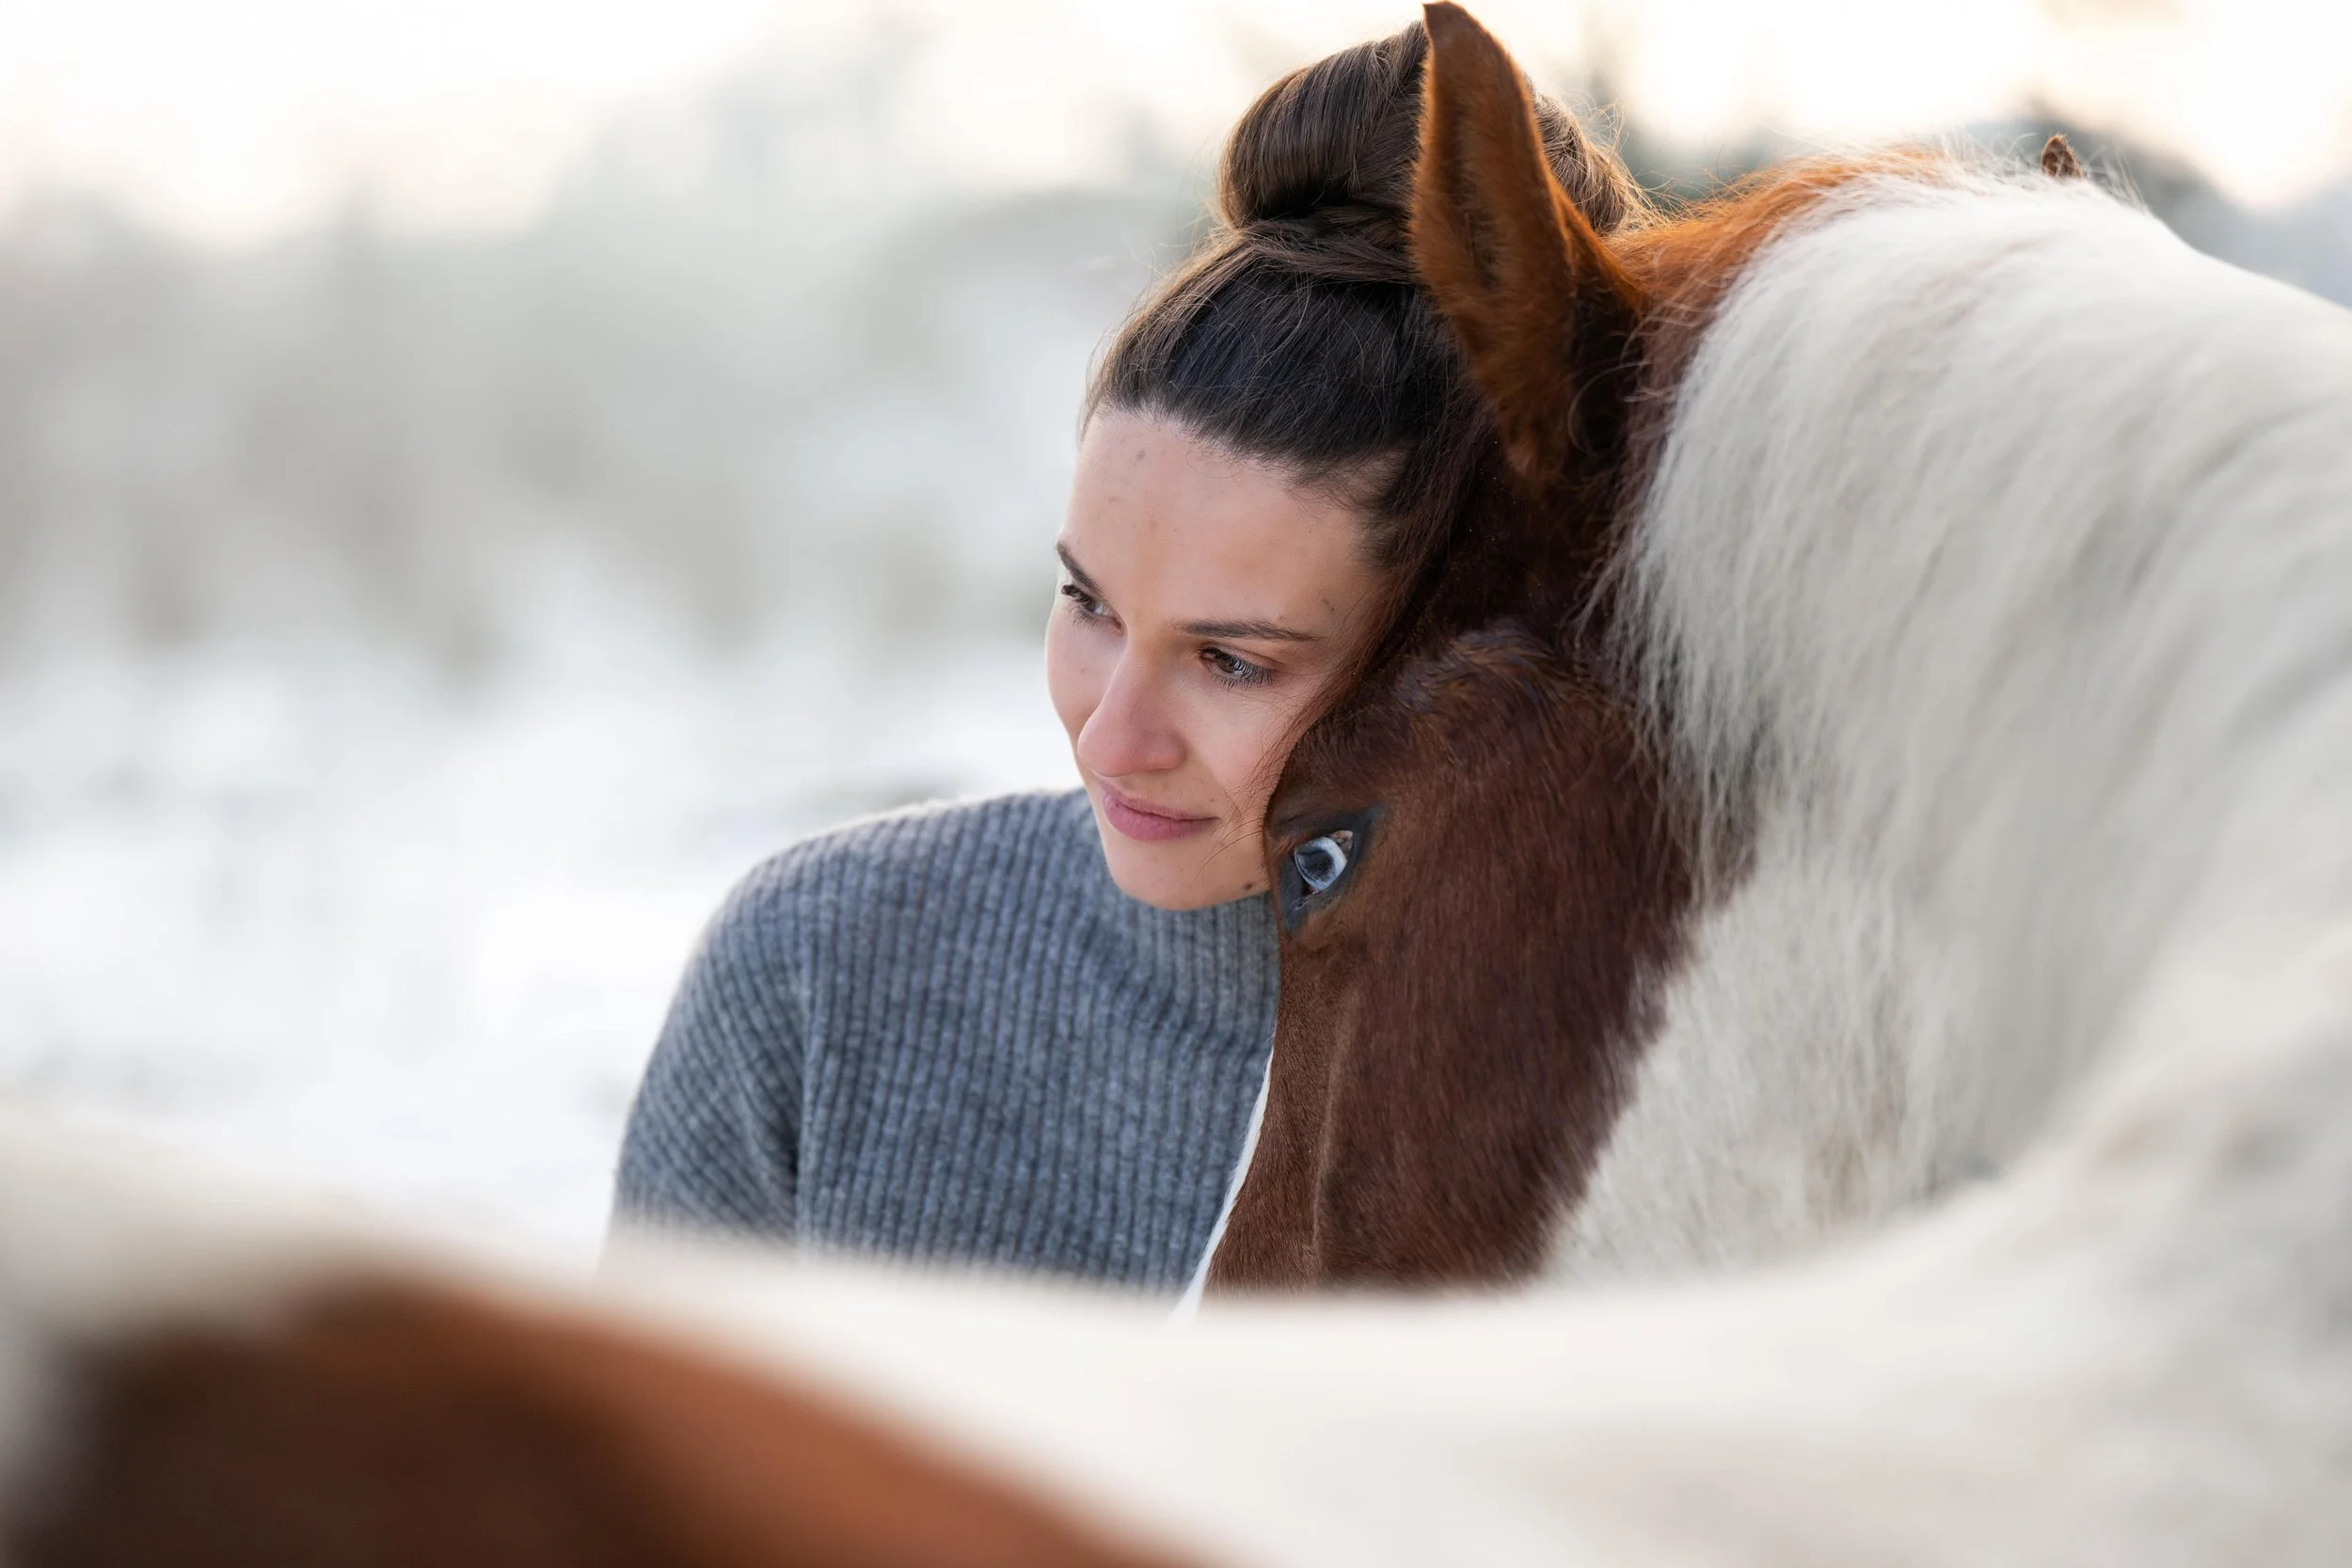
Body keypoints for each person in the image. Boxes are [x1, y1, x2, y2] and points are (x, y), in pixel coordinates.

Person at [610, 19, 1642, 1290]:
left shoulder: (1642, 1073)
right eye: (1088, 604)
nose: (1110, 738)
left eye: (1230, 661)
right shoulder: (818, 974)